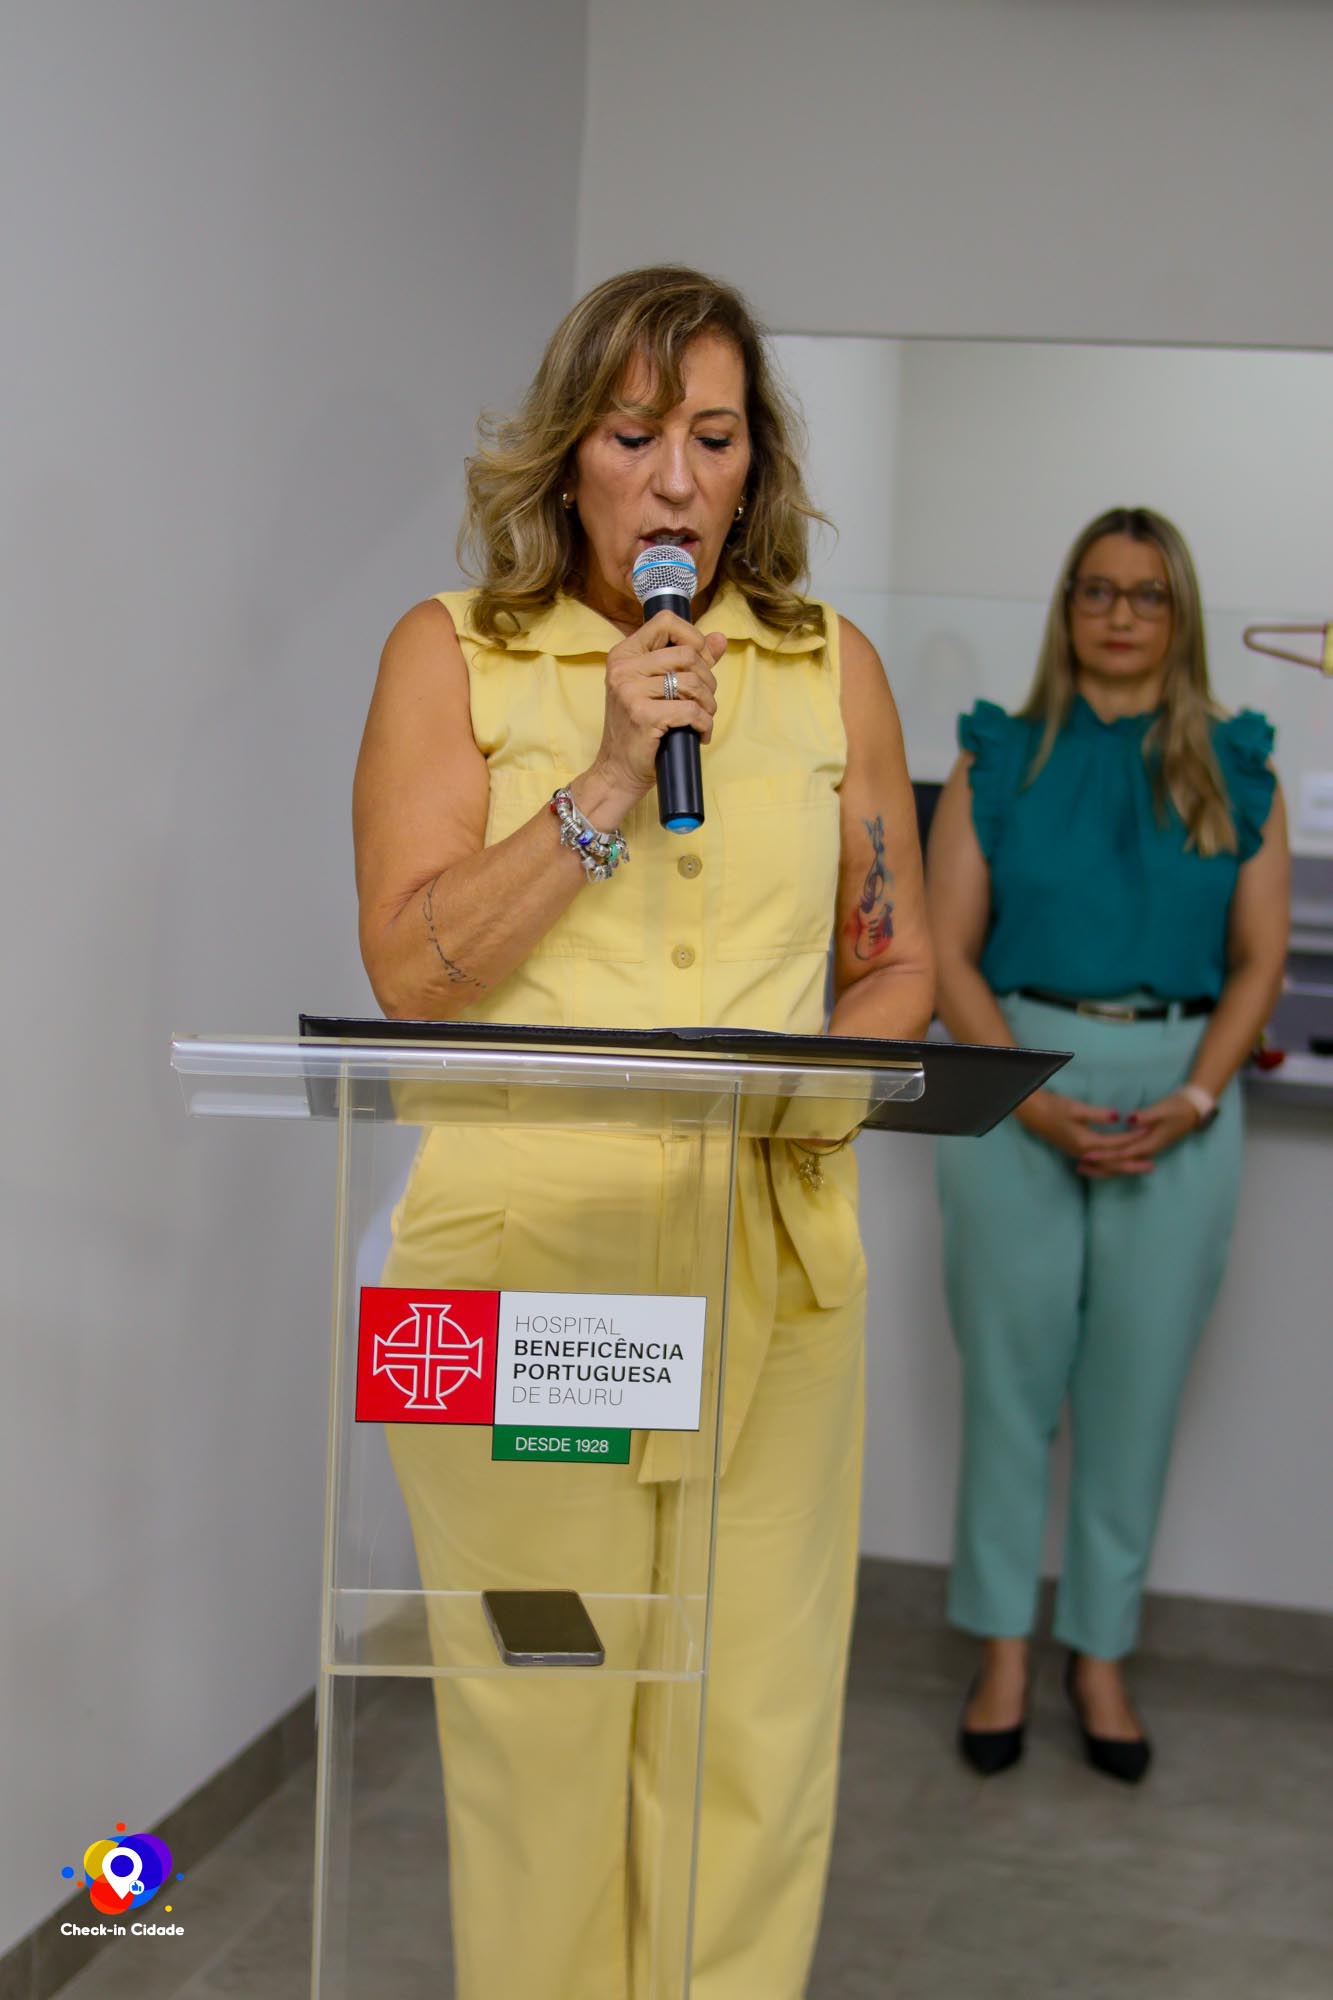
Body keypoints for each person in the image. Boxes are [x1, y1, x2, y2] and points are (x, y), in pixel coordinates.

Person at [352, 266, 933, 1999]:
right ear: (565, 455)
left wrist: (811, 1098)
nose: (675, 479)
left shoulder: (829, 672)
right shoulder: (450, 652)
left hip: (774, 1281)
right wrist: (608, 774)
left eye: (714, 437)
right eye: (631, 436)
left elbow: (893, 966)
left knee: (749, 1737)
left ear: (755, 469)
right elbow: (411, 975)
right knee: (540, 1726)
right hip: (516, 1285)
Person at [927, 506, 1289, 1784]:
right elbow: (945, 953)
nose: (1120, 613)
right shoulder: (994, 757)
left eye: (1146, 593)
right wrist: (1026, 1099)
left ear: (1177, 612)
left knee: (1131, 1398)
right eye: (1096, 589)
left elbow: (1258, 961)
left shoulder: (1236, 766)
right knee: (1009, 1390)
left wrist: (1194, 1098)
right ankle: (1002, 1651)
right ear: (1065, 606)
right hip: (1015, 1076)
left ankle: (1099, 1655)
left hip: (1176, 1098)